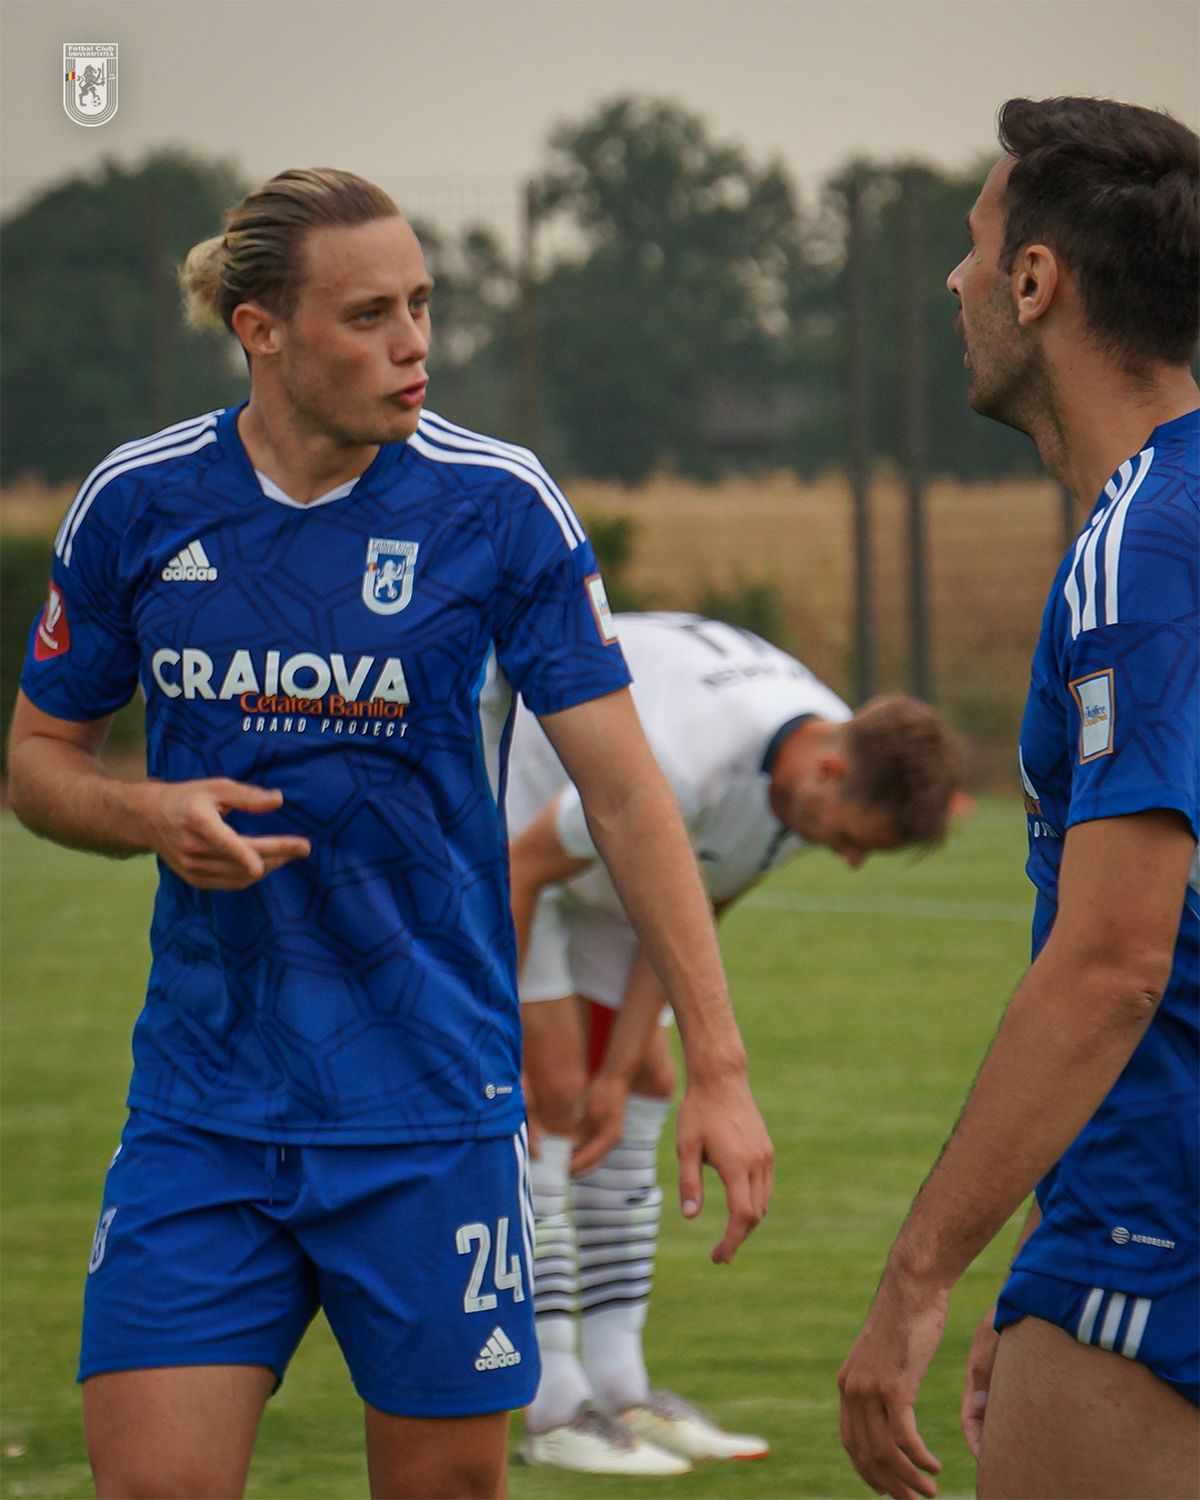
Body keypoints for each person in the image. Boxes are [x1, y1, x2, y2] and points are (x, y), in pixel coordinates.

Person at [8, 169, 773, 1500]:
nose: (414, 343)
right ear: (261, 329)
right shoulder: (139, 502)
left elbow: (630, 794)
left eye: (422, 305)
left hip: (429, 1109)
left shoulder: (496, 504)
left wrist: (715, 1059)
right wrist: (147, 815)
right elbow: (35, 761)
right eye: (370, 314)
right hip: (205, 1110)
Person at [838, 97, 1199, 1500]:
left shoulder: (1141, 551)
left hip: (1157, 1232)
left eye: (976, 245)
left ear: (1038, 280)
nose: (956, 279)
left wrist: (921, 1275)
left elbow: (1115, 961)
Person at [492, 612, 961, 1474]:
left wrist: (628, 1054)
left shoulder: (811, 766)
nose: (848, 862)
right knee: (554, 1089)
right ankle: (551, 1400)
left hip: (612, 859)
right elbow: (522, 868)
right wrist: (511, 1039)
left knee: (644, 1086)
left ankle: (620, 1384)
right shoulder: (688, 760)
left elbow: (694, 901)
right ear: (828, 773)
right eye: (853, 841)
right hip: (519, 830)